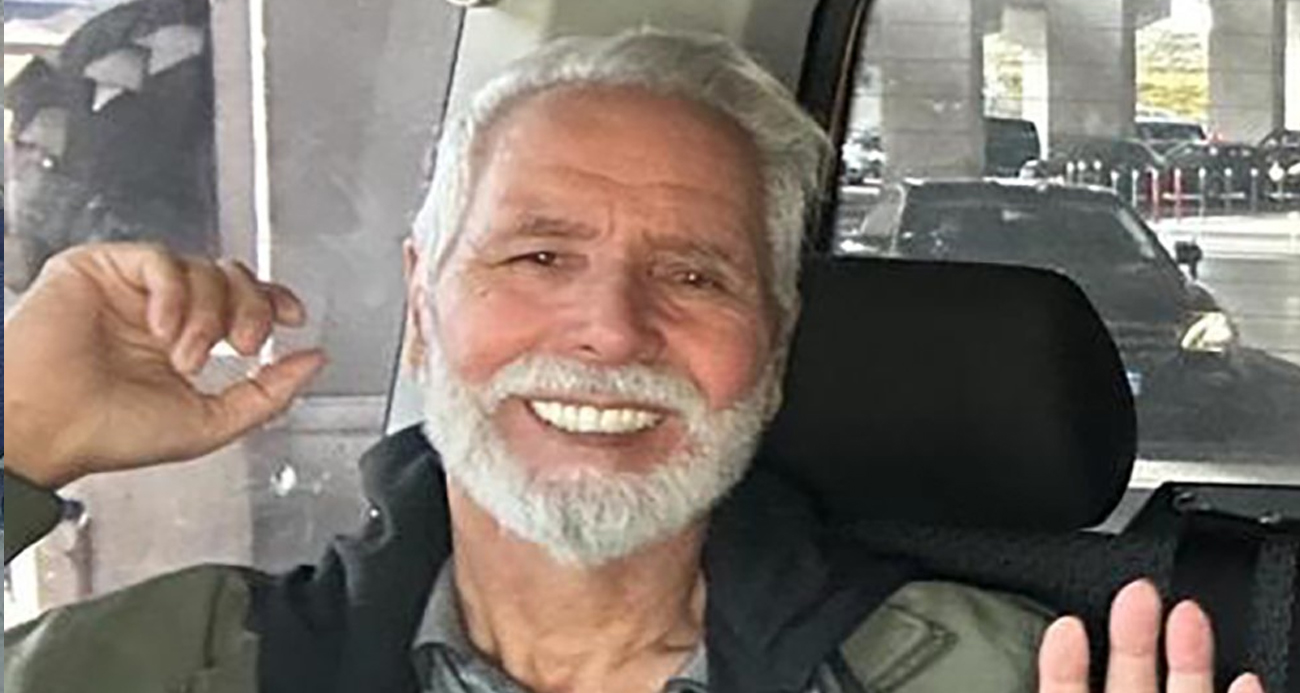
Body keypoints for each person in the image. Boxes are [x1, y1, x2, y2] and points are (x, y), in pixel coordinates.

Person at [2, 30, 1266, 693]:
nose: (610, 330)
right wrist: (14, 436)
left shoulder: (1011, 681)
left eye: (696, 275)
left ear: (773, 339)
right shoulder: (157, 666)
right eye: (538, 256)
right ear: (422, 302)